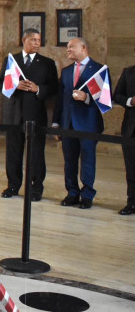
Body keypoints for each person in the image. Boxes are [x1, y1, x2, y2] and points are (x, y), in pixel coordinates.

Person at [0, 29, 58, 201]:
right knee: (13, 152)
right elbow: (0, 84)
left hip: (36, 115)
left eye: (39, 40)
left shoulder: (47, 63)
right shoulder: (11, 61)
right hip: (14, 114)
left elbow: (54, 88)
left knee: (36, 153)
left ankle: (36, 188)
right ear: (24, 40)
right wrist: (16, 85)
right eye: (33, 40)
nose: (37, 43)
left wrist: (38, 89)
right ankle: (13, 186)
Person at [52, 37, 104, 209]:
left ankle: (87, 195)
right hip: (67, 123)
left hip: (88, 124)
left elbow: (105, 99)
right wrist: (56, 124)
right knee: (69, 161)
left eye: (71, 47)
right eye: (67, 47)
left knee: (88, 160)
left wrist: (87, 98)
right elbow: (60, 100)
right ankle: (72, 193)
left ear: (83, 48)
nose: (68, 50)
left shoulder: (99, 70)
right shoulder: (66, 71)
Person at [112, 65, 135, 215]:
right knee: (131, 169)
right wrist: (131, 101)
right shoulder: (128, 72)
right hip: (131, 128)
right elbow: (117, 96)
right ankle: (132, 202)